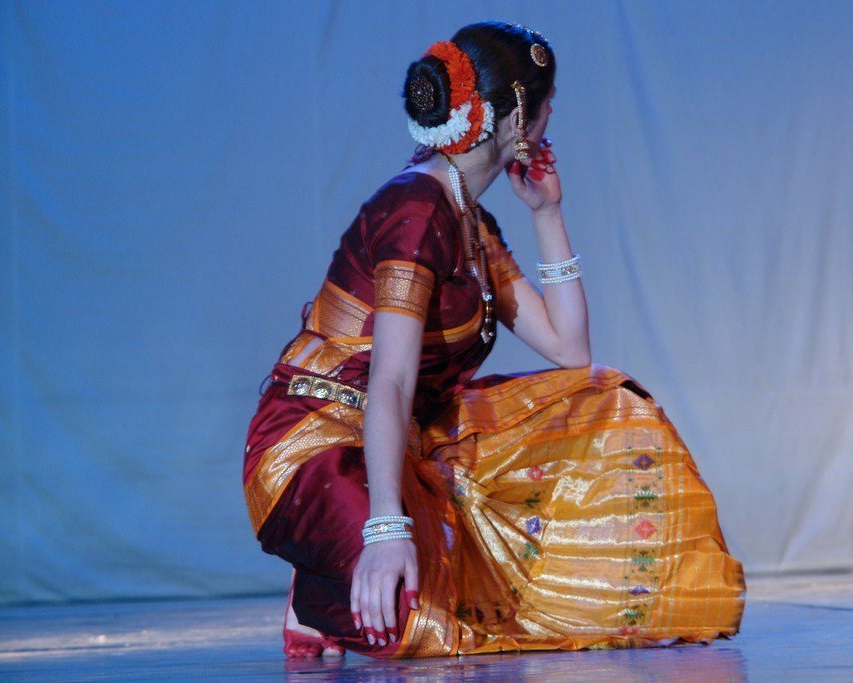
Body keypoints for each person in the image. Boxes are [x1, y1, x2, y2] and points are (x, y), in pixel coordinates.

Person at [242, 20, 745, 660]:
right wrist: (387, 529)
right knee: (410, 624)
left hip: (406, 447)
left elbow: (570, 352)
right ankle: (320, 581)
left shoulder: (470, 224)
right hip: (317, 439)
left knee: (605, 401)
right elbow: (389, 380)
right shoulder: (415, 211)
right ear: (515, 116)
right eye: (547, 103)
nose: (552, 117)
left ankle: (357, 558)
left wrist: (548, 213)